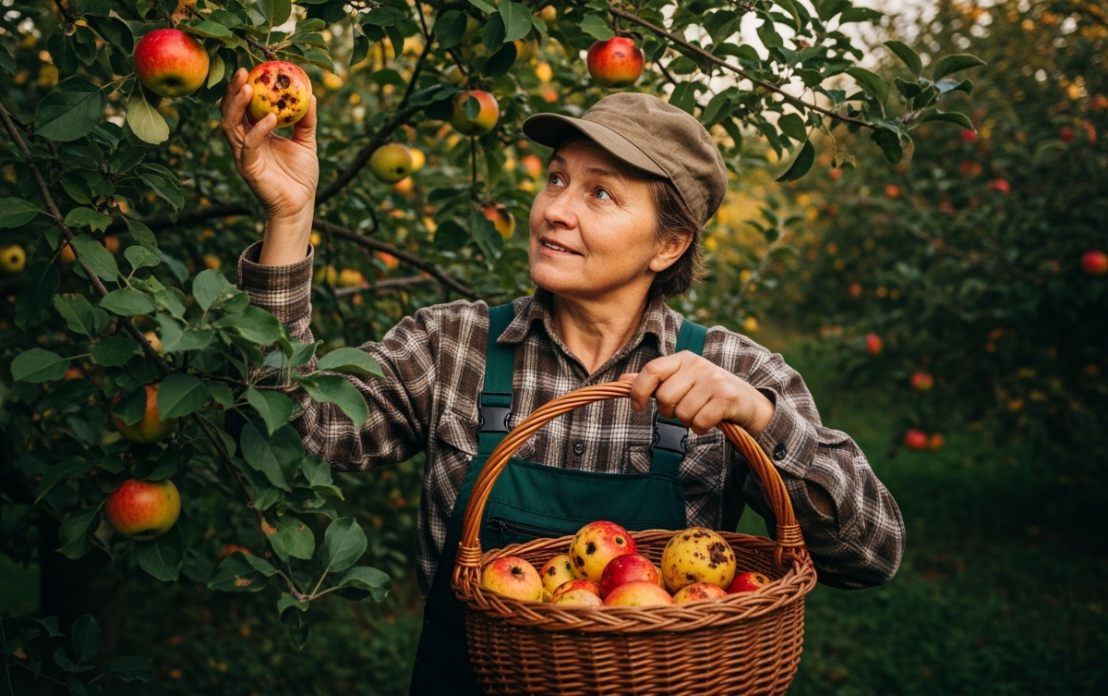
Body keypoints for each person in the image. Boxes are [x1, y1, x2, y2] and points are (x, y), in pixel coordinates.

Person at [220, 69, 904, 694]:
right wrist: (289, 218)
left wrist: (764, 419)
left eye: (599, 192)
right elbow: (282, 438)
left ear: (669, 245)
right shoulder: (453, 345)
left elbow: (872, 554)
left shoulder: (733, 374)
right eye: (556, 179)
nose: (555, 210)